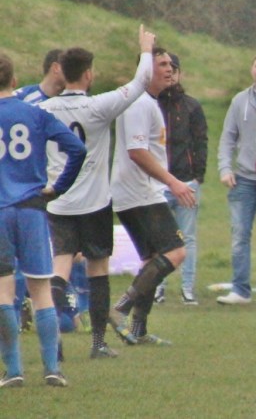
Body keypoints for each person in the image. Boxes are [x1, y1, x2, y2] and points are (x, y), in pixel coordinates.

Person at [41, 25, 155, 360]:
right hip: (94, 204)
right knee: (98, 269)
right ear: (88, 74)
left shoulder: (44, 110)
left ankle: (53, 343)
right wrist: (145, 49)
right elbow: (140, 83)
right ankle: (98, 344)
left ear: (62, 73)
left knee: (59, 268)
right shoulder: (99, 106)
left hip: (58, 202)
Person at [0, 51, 86, 388]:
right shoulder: (34, 113)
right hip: (33, 209)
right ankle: (52, 369)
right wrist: (58, 188)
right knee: (41, 290)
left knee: (3, 292)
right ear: (15, 80)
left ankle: (13, 371)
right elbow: (77, 148)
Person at [109, 46, 195, 346]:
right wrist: (173, 182)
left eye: (171, 64)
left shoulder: (148, 102)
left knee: (151, 260)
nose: (169, 69)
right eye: (162, 64)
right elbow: (136, 151)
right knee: (176, 252)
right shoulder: (139, 103)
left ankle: (138, 330)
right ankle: (120, 308)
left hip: (135, 191)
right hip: (140, 192)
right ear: (146, 70)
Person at [217, 52, 256, 306]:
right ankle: (240, 289)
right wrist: (225, 168)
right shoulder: (240, 100)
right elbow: (227, 138)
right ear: (252, 70)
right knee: (239, 235)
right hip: (243, 179)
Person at [13, 49, 66, 330]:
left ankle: (63, 308)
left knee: (60, 252)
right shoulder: (24, 98)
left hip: (57, 190)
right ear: (56, 68)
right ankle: (20, 307)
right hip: (26, 192)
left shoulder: (70, 103)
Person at [154, 53, 208, 305]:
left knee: (188, 237)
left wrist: (198, 175)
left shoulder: (191, 106)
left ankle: (187, 288)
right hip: (158, 183)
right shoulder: (152, 105)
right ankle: (158, 286)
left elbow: (200, 141)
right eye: (166, 68)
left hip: (187, 181)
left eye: (174, 69)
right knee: (159, 238)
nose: (171, 74)